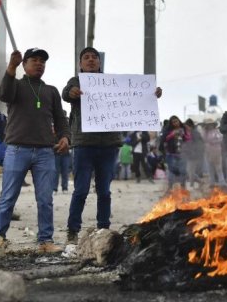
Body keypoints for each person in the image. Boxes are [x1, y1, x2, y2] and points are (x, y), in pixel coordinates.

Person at [63, 46, 162, 243]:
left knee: (104, 191)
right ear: (80, 64)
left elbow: (136, 97)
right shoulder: (76, 82)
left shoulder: (112, 83)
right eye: (86, 58)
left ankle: (103, 229)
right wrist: (72, 92)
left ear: (99, 63)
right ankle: (73, 230)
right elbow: (65, 94)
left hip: (108, 145)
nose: (91, 60)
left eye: (94, 58)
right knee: (81, 190)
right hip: (83, 145)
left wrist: (152, 94)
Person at [0, 48, 70, 253]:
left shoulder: (51, 91)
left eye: (42, 61)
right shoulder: (16, 86)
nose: (39, 64)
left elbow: (60, 118)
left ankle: (45, 240)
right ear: (25, 64)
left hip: (45, 152)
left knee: (45, 199)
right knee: (8, 198)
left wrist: (64, 136)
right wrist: (11, 66)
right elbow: (3, 93)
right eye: (34, 60)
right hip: (17, 150)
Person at [162, 115, 191, 190]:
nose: (175, 123)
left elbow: (188, 139)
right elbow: (164, 139)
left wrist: (184, 134)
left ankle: (183, 187)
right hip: (172, 154)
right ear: (171, 123)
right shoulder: (168, 130)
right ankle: (170, 188)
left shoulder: (184, 129)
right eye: (173, 122)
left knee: (183, 171)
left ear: (179, 121)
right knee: (172, 171)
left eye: (176, 121)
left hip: (182, 154)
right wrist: (173, 134)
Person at [202, 117, 227, 188]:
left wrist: (213, 142)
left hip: (217, 151)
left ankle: (222, 182)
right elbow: (203, 139)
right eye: (208, 124)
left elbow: (220, 139)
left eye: (210, 124)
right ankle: (212, 182)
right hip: (208, 152)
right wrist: (204, 130)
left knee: (219, 168)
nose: (209, 126)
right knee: (210, 168)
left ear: (213, 125)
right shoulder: (205, 132)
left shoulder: (217, 131)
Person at [183, 119, 205, 188]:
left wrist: (195, 152)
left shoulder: (195, 133)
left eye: (187, 126)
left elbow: (199, 144)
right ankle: (199, 181)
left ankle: (192, 184)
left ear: (190, 126)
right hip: (190, 154)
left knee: (190, 170)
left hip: (194, 155)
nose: (186, 128)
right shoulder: (189, 132)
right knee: (189, 170)